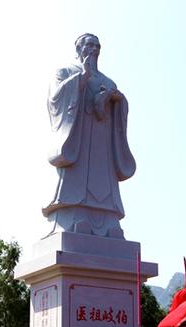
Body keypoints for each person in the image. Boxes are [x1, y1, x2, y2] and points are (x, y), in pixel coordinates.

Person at [43, 33, 136, 239]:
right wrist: (82, 77)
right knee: (76, 177)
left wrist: (117, 100)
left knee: (103, 179)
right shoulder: (65, 72)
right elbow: (55, 99)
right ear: (78, 49)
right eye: (88, 45)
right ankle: (71, 217)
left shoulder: (107, 80)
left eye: (96, 46)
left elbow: (120, 106)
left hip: (102, 144)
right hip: (79, 139)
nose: (93, 49)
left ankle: (108, 222)